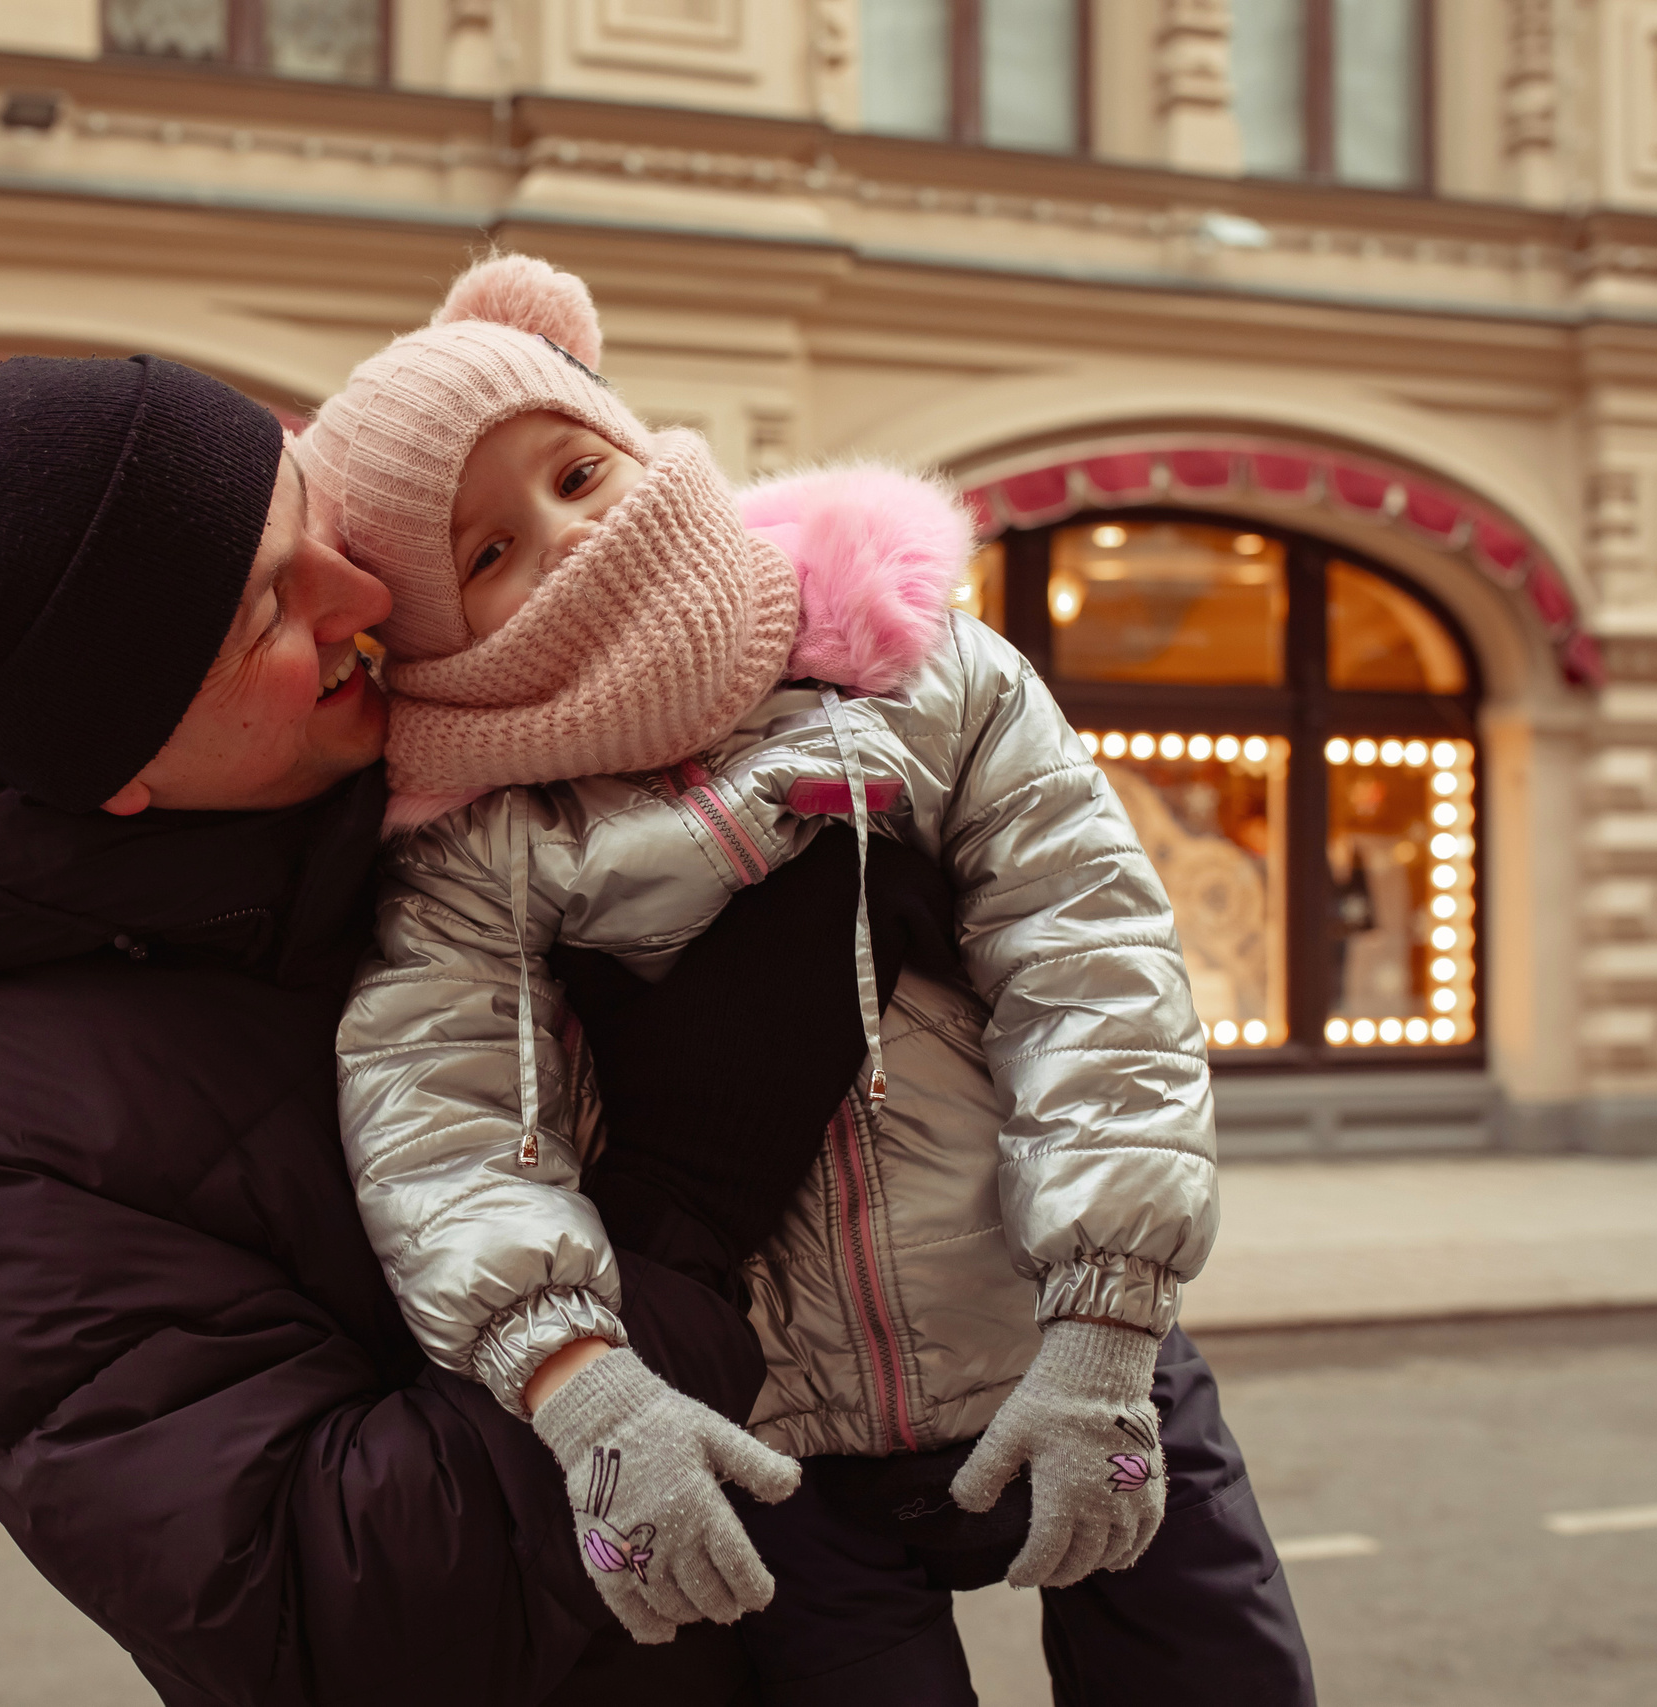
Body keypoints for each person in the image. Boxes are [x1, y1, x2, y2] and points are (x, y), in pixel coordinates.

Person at [0, 350, 929, 1706]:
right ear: (123, 771)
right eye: (274, 610)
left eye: (309, 513)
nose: (367, 596)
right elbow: (334, 1603)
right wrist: (687, 1201)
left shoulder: (413, 764)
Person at [307, 256, 1313, 1703]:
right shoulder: (478, 842)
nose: (569, 537)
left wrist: (1107, 1318)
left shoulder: (925, 674)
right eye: (486, 554)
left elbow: (1094, 971)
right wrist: (583, 1387)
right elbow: (441, 1121)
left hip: (1071, 1344)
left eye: (577, 473)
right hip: (777, 1445)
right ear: (430, 639)